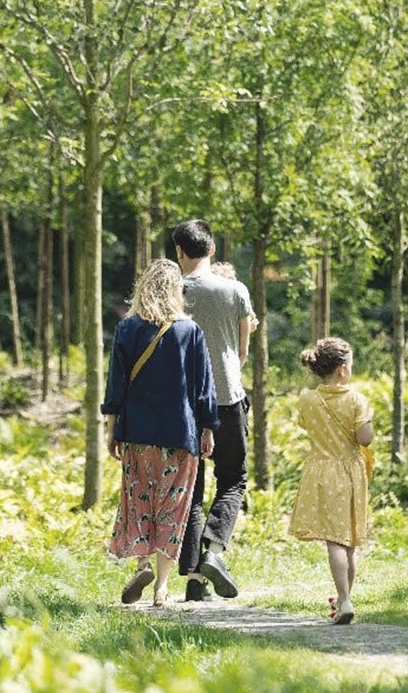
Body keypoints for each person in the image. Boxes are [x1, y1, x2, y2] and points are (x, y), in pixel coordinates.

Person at [102, 259, 218, 607]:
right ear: (176, 291)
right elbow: (203, 387)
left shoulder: (128, 329)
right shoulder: (190, 331)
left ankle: (141, 564)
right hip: (180, 433)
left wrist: (112, 430)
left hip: (137, 432)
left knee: (138, 502)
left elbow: (116, 384)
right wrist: (208, 428)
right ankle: (162, 588)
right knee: (173, 506)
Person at [173, 220, 256, 602]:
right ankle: (214, 552)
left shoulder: (170, 293)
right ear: (211, 250)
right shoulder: (235, 290)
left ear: (179, 252)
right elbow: (240, 354)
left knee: (192, 488)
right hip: (227, 396)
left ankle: (194, 581)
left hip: (183, 404)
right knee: (233, 479)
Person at [289, 337, 374, 625]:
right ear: (342, 370)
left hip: (321, 472)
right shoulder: (356, 399)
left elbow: (306, 424)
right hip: (350, 472)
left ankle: (343, 599)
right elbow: (365, 438)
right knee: (349, 541)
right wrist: (368, 421)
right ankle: (346, 597)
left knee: (334, 541)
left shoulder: (307, 398)